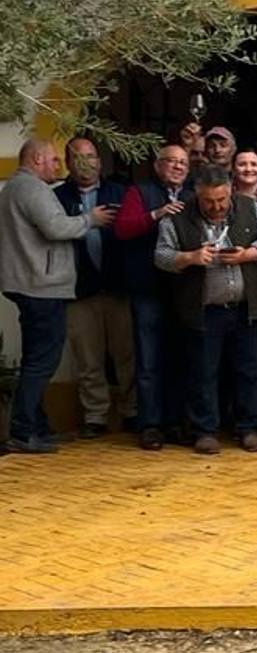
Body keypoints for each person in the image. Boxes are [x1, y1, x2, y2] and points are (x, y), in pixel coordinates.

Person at [154, 167, 257, 454]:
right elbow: (160, 256)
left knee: (250, 371)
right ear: (198, 195)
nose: (217, 206)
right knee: (203, 372)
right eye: (209, 201)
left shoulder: (250, 207)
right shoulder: (178, 215)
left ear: (231, 191)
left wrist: (249, 254)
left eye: (222, 199)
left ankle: (248, 428)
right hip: (204, 310)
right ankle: (205, 431)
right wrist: (190, 257)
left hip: (245, 307)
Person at [0, 139, 114, 453]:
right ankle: (23, 432)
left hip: (31, 284)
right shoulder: (33, 189)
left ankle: (37, 426)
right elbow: (55, 227)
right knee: (41, 362)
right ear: (37, 159)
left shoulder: (15, 187)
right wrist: (90, 219)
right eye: (53, 160)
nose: (58, 166)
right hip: (41, 286)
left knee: (35, 359)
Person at [113, 140, 193, 449]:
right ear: (157, 165)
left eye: (183, 163)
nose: (177, 166)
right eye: (171, 161)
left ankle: (175, 422)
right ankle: (150, 425)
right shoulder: (139, 192)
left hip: (181, 290)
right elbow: (122, 229)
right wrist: (155, 214)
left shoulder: (191, 195)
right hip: (148, 289)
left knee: (179, 358)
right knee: (149, 361)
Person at [55, 138, 134, 437]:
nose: (85, 163)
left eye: (90, 157)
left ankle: (131, 412)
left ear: (100, 162)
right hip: (79, 290)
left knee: (127, 355)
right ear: (68, 163)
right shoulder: (57, 198)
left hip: (118, 288)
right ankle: (95, 416)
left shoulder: (121, 193)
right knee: (88, 357)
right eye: (77, 158)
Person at [230, 148, 257, 218]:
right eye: (242, 164)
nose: (248, 169)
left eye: (254, 164)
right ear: (233, 170)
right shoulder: (223, 198)